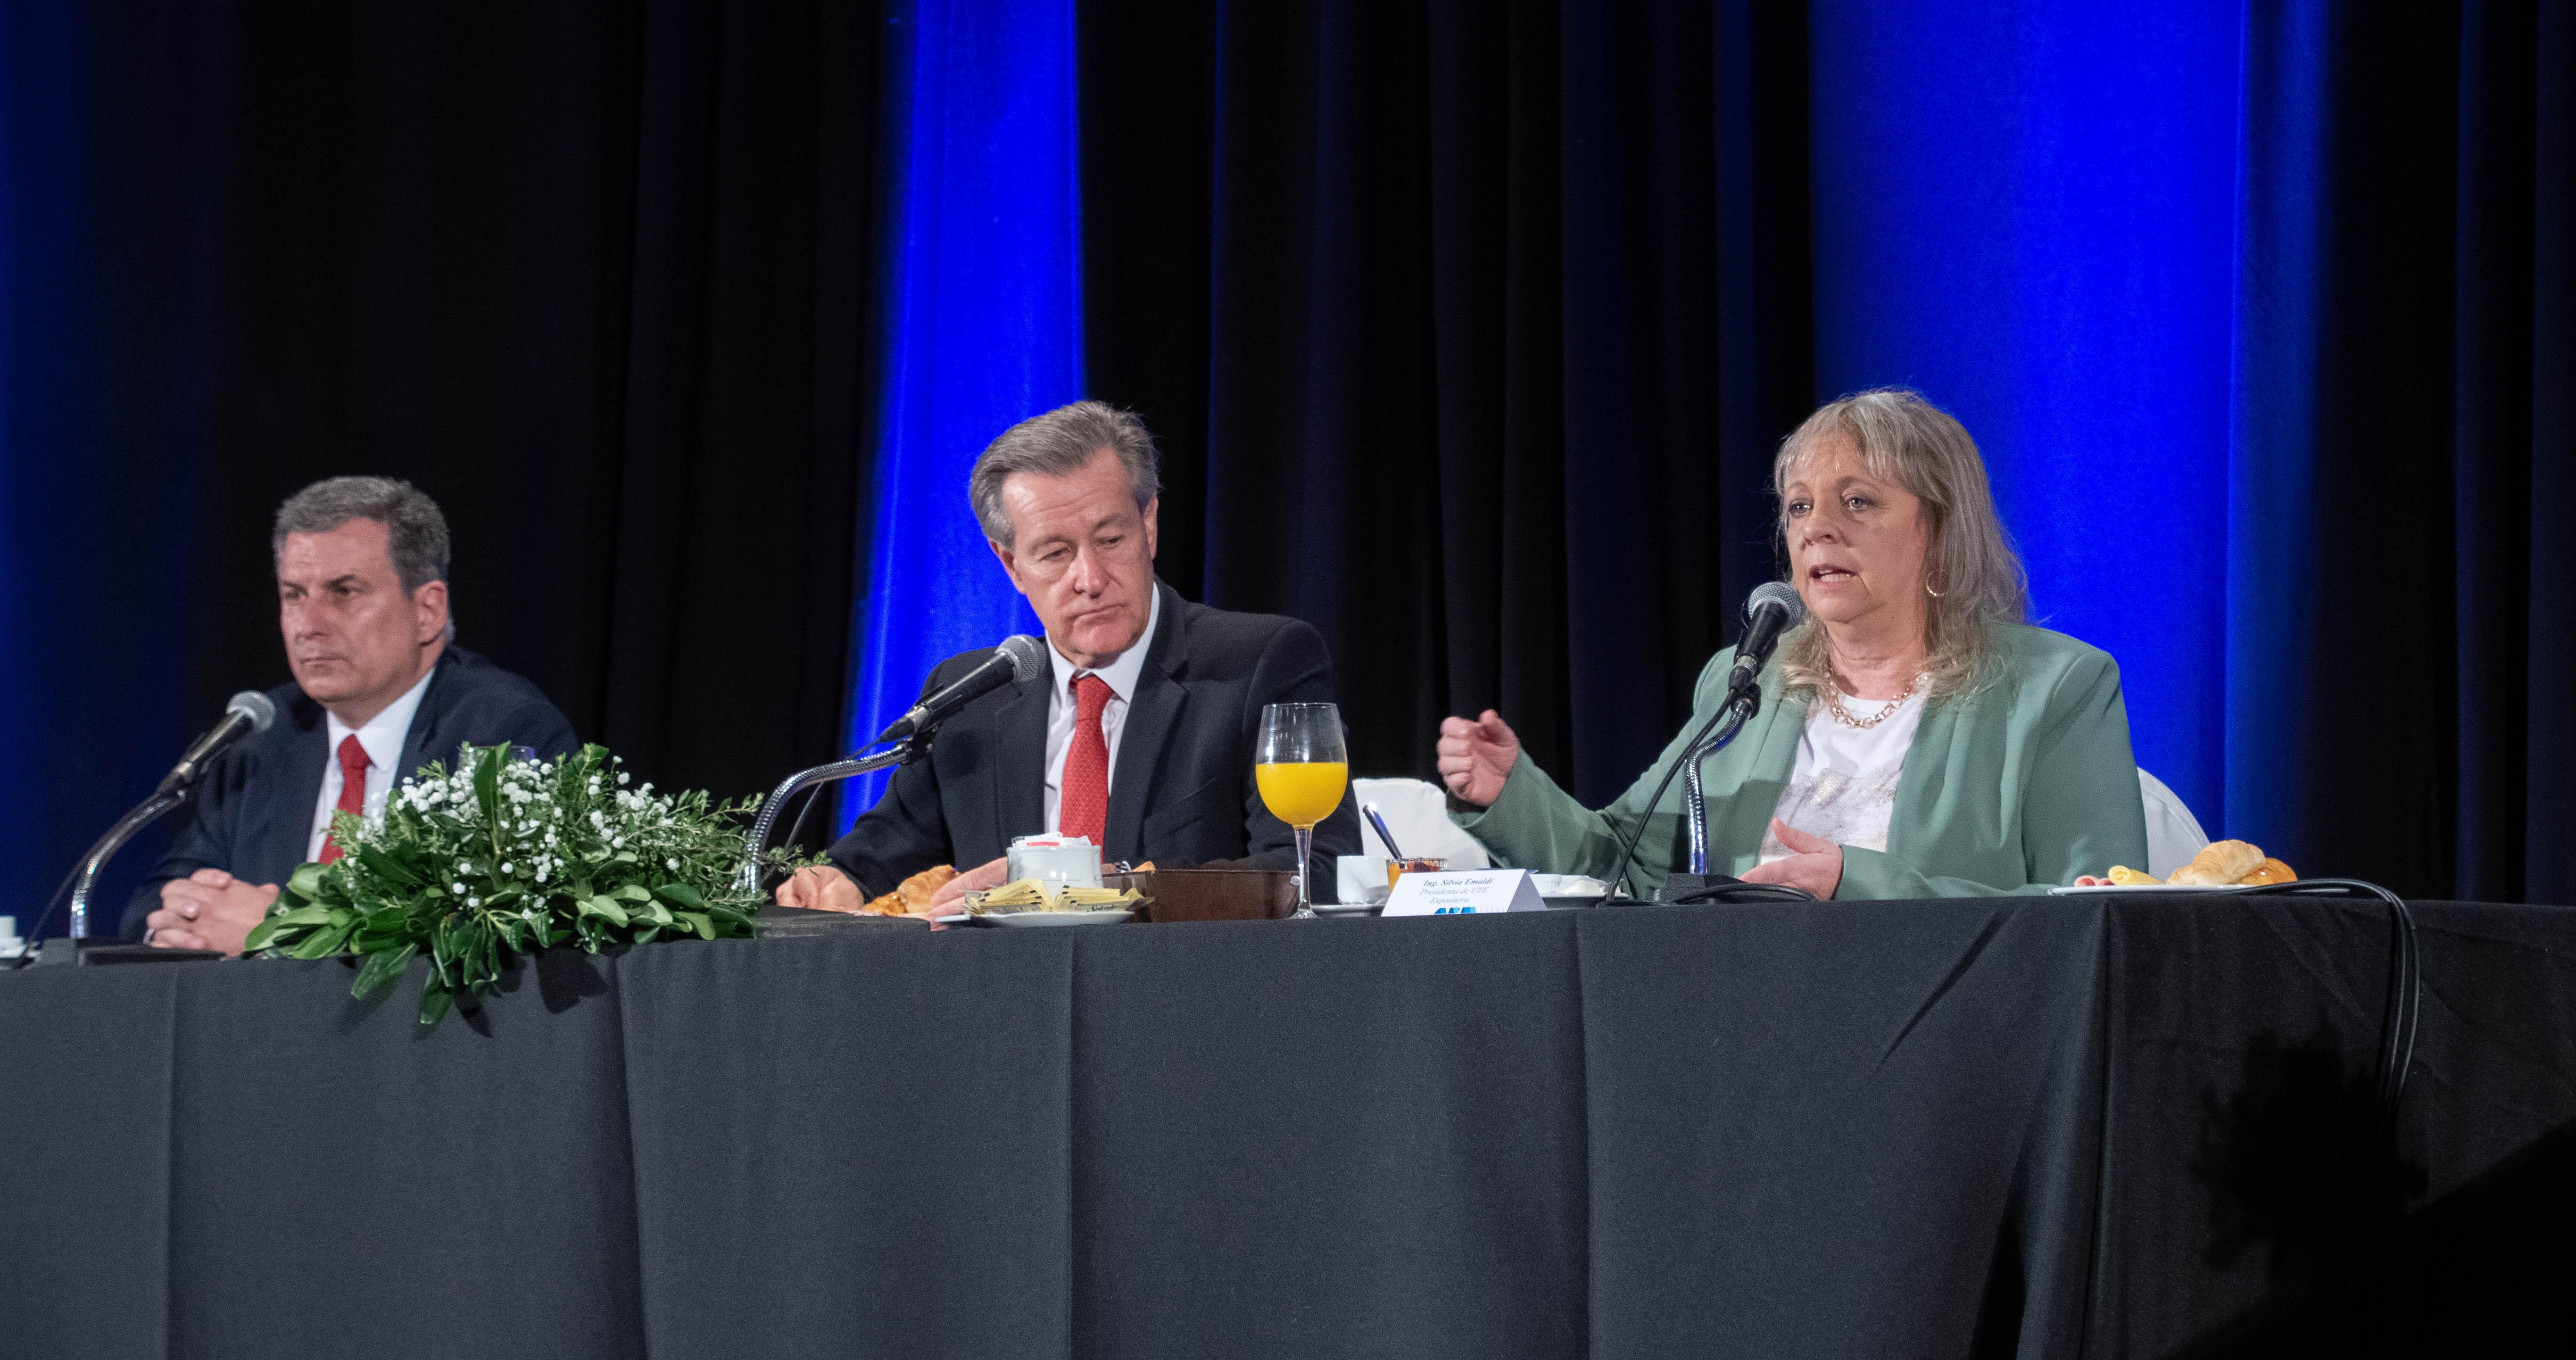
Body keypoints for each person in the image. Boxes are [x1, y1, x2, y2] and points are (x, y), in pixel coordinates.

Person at [1435, 389, 2145, 898]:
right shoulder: (1749, 682)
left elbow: (2095, 913)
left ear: (1939, 529)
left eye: (1858, 501)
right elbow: (1628, 862)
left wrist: (1856, 882)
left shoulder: (2056, 688)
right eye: (1800, 505)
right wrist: (1511, 793)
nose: (1817, 528)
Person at [775, 400, 1360, 914]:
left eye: (1110, 540)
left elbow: (1314, 873)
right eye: (1055, 553)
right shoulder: (969, 695)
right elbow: (876, 860)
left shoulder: (1261, 661)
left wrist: (1078, 886)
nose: (1090, 578)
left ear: (1149, 524)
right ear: (1011, 565)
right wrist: (841, 885)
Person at [129, 477, 579, 950]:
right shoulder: (262, 736)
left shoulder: (503, 732)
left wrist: (285, 930)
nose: (309, 625)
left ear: (427, 610)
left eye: (344, 592)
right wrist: (184, 920)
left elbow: (504, 936)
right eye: (294, 595)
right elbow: (150, 905)